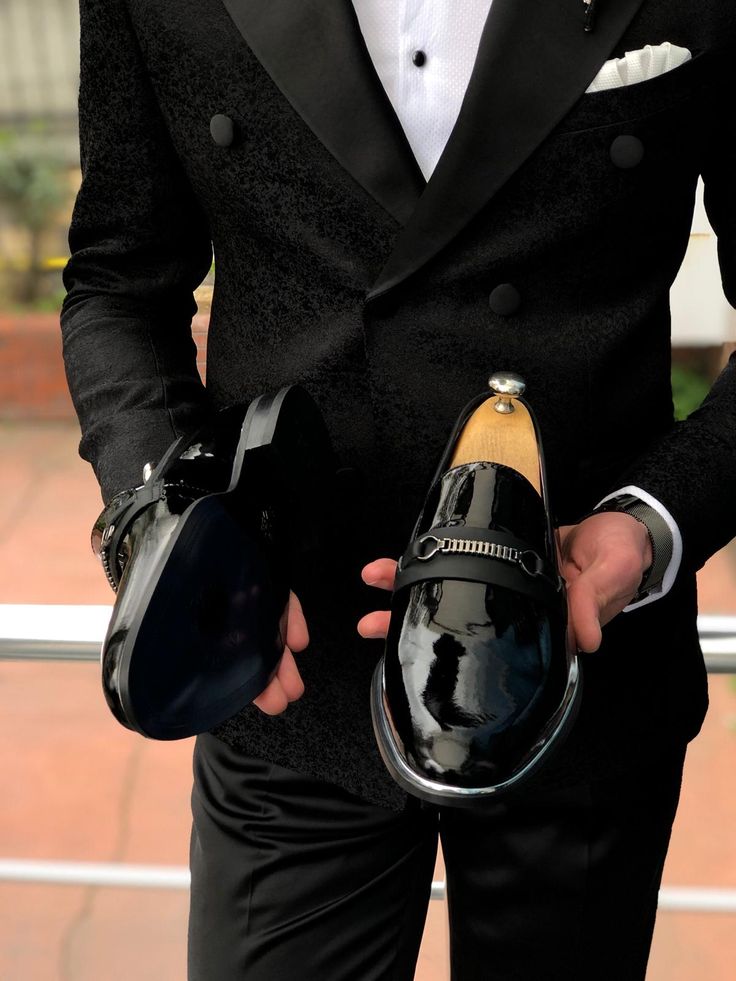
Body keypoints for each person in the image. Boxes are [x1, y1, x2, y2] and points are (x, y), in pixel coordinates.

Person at [61, 1, 736, 978]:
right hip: (289, 671)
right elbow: (119, 281)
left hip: (579, 669)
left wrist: (653, 523)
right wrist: (164, 517)